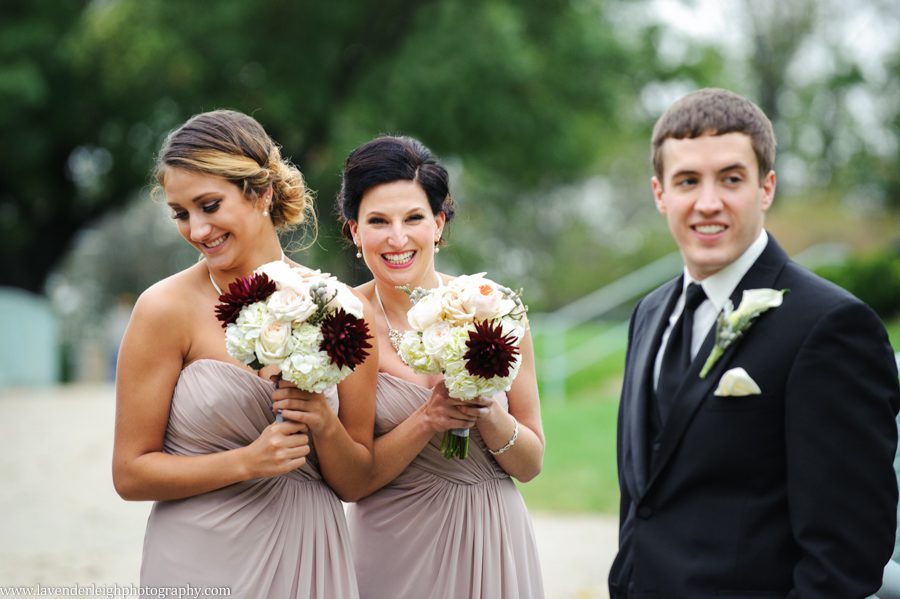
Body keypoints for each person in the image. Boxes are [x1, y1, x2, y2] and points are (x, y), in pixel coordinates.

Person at [609, 88, 900, 597]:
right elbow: (643, 499)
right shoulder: (649, 313)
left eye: (731, 179)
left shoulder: (831, 327)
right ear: (660, 193)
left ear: (766, 188)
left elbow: (847, 554)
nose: (708, 202)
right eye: (687, 181)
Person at [112, 110, 377, 598]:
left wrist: (323, 421)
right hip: (198, 558)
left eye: (210, 205)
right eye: (180, 212)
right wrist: (248, 462)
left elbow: (357, 481)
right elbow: (130, 474)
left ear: (263, 193)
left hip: (307, 555)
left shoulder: (339, 306)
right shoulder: (164, 309)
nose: (196, 229)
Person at [332, 135, 545, 598]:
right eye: (377, 221)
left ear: (438, 223)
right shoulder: (341, 325)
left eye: (413, 218)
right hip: (392, 549)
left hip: (492, 541)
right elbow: (351, 480)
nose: (397, 238)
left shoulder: (496, 309)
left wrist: (490, 413)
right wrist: (429, 418)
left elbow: (530, 464)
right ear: (353, 231)